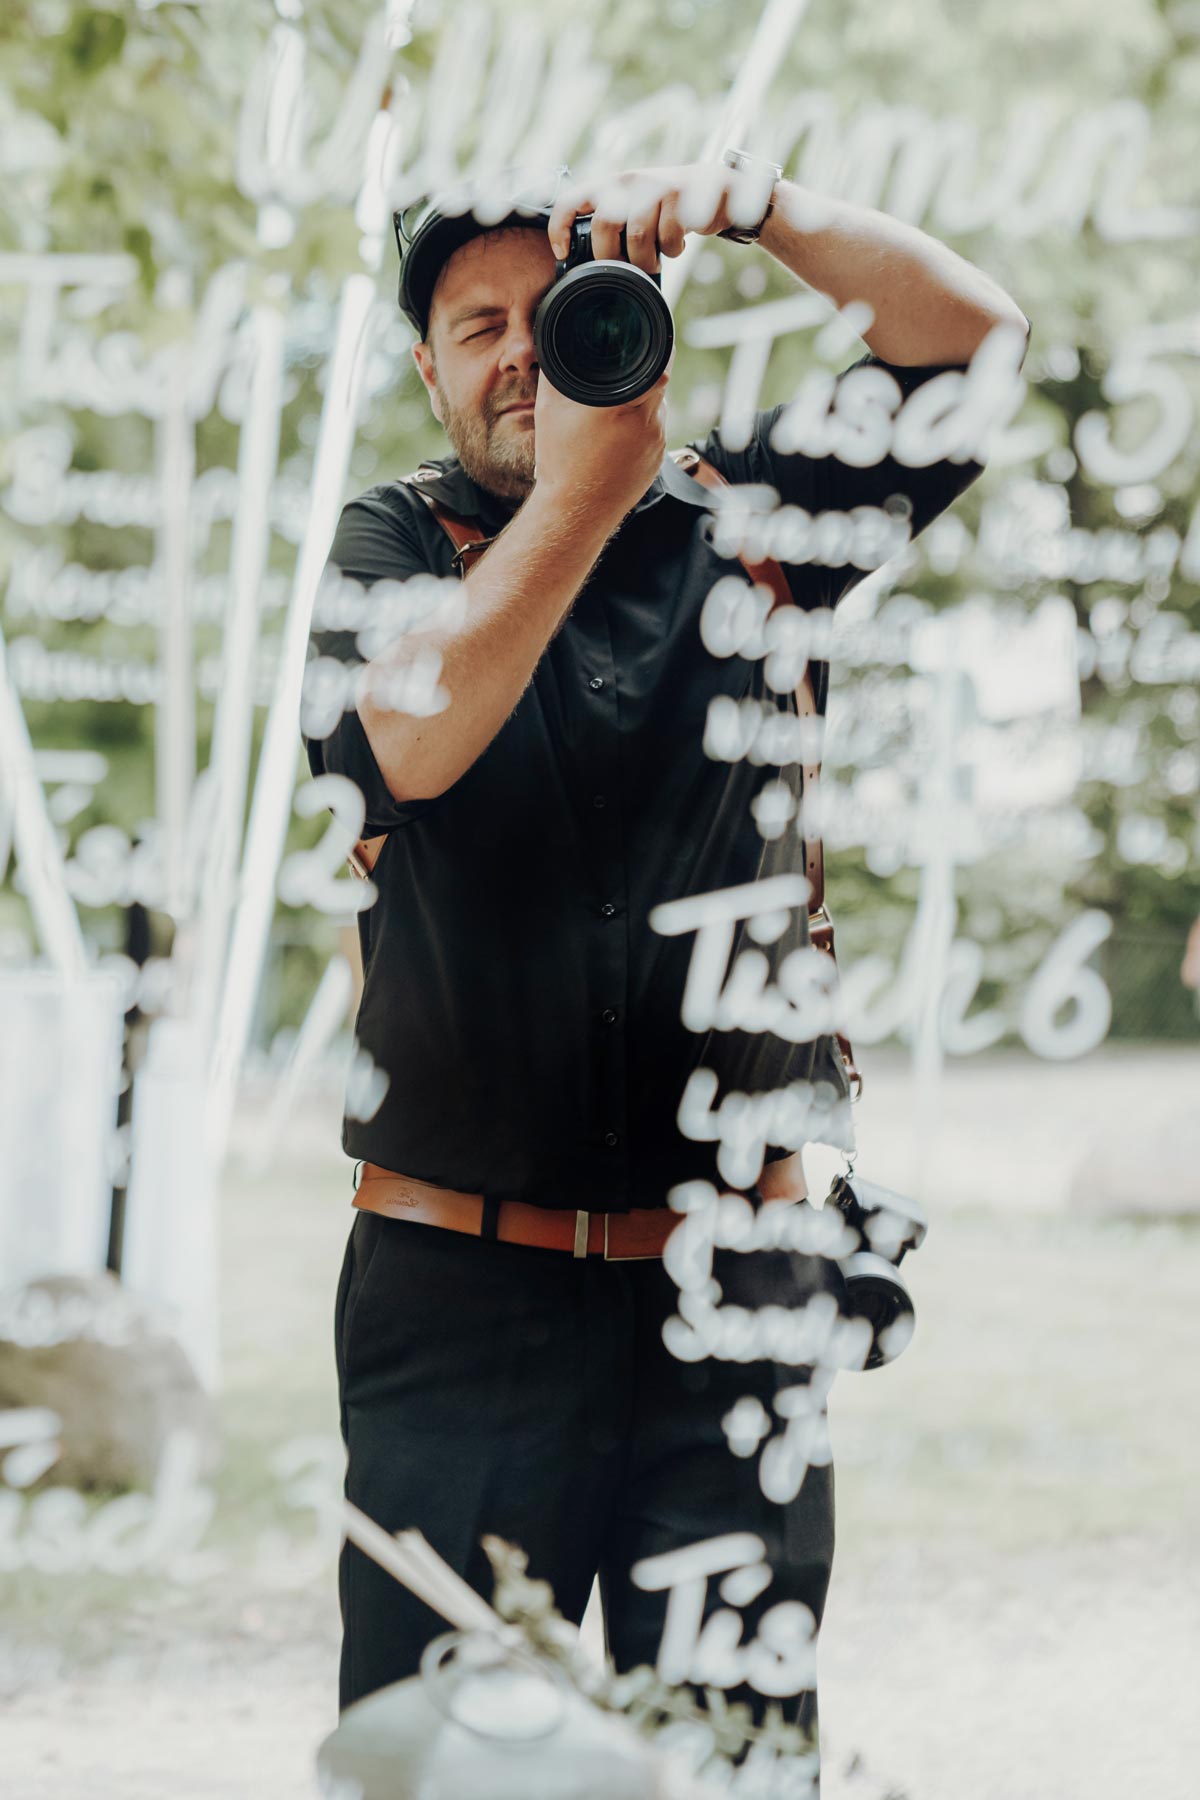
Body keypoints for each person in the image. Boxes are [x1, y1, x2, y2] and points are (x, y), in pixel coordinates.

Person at [302, 156, 1029, 1774]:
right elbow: (403, 753)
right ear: (429, 369)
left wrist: (756, 203)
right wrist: (580, 493)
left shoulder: (757, 525)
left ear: (619, 325)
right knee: (454, 1765)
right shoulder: (386, 547)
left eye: (543, 314)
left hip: (739, 1291)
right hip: (462, 1295)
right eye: (475, 325)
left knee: (738, 1756)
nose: (514, 354)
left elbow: (973, 338)